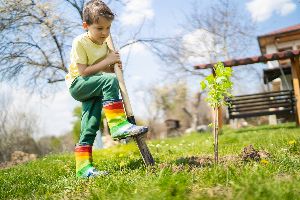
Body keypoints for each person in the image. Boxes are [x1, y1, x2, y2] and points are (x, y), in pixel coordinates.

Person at [65, 0, 148, 178]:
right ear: (86, 26)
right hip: (78, 84)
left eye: (108, 28)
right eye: (99, 28)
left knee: (91, 124)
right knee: (110, 81)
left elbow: (105, 69)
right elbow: (84, 72)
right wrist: (107, 63)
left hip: (94, 85)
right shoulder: (79, 42)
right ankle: (117, 125)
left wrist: (115, 66)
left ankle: (83, 169)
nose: (105, 33)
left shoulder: (105, 45)